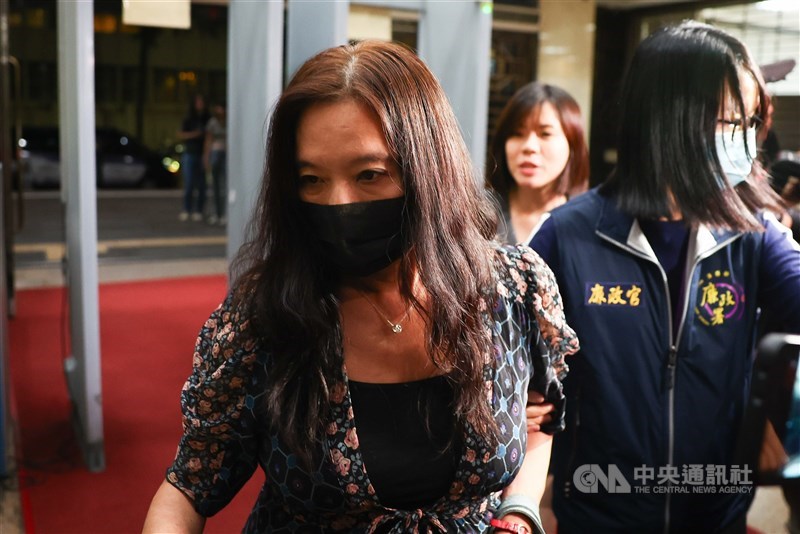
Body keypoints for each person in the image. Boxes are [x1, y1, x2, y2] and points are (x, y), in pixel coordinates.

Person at [143, 40, 579, 533]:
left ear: (428, 169)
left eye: (369, 174)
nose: (339, 203)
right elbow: (188, 487)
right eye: (311, 180)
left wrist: (519, 509)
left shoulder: (514, 290)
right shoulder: (263, 317)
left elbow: (537, 423)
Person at [528, 21, 800, 533]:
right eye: (726, 121)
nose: (741, 140)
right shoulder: (569, 236)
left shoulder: (753, 234)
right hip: (598, 509)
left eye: (747, 122)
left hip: (715, 512)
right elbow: (508, 366)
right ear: (666, 121)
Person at [487, 82, 588, 245]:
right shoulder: (476, 216)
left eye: (545, 133)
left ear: (573, 143)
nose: (529, 147)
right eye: (517, 134)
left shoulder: (588, 224)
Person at [178, 93, 210, 222]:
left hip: (202, 153)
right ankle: (187, 209)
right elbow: (180, 134)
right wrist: (194, 134)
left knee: (202, 184)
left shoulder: (207, 118)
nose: (200, 105)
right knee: (189, 183)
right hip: (190, 153)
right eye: (198, 102)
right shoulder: (189, 118)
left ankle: (199, 210)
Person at [204, 102, 227, 225]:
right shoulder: (213, 122)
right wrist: (206, 156)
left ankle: (223, 213)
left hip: (225, 153)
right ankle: (215, 213)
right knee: (214, 184)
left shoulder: (228, 121)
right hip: (215, 152)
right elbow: (208, 140)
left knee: (223, 184)